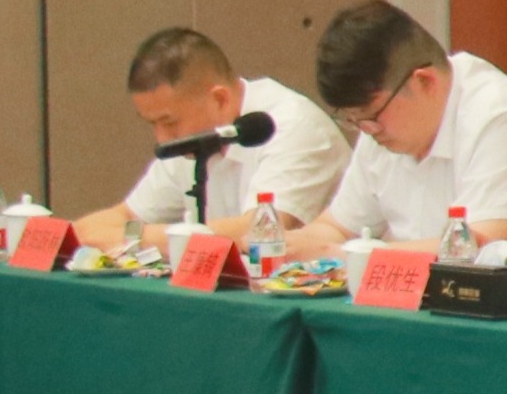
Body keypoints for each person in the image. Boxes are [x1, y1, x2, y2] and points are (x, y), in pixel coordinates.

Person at [292, 1, 507, 254]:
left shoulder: (502, 114)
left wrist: (352, 257)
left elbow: (476, 248)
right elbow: (336, 228)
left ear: (425, 81)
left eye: (371, 116)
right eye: (354, 120)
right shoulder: (380, 127)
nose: (367, 131)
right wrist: (288, 246)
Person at [68, 27, 351, 251]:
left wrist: (135, 238)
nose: (162, 138)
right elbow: (125, 216)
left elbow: (260, 232)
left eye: (170, 122)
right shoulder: (189, 144)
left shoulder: (292, 125)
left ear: (220, 100)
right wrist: (71, 237)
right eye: (152, 124)